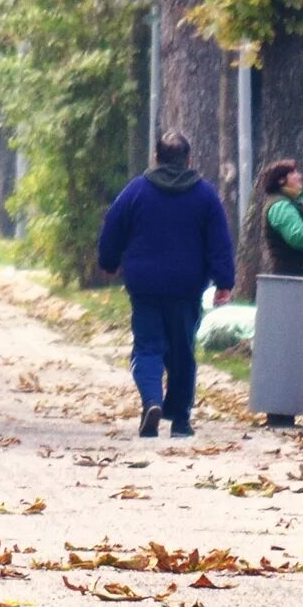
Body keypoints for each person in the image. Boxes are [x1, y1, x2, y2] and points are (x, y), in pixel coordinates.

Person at [96, 131, 237, 438]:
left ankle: (151, 402)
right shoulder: (205, 195)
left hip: (144, 284)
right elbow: (219, 242)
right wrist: (224, 281)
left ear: (156, 158)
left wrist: (108, 263)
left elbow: (112, 226)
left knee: (148, 347)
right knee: (182, 350)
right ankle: (181, 418)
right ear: (189, 160)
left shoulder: (137, 191)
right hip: (187, 286)